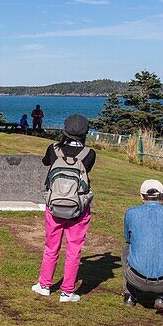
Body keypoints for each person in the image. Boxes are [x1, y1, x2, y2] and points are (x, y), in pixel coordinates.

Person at [32, 114, 96, 303]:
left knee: (51, 246)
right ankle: (67, 291)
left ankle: (44, 285)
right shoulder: (89, 154)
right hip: (79, 207)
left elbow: (46, 161)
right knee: (74, 249)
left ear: (65, 130)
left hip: (54, 206)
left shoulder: (53, 149)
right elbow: (87, 170)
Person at [123, 179, 163, 316]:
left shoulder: (130, 213)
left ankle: (129, 294)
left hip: (135, 278)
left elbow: (128, 239)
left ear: (141, 197)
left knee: (126, 249)